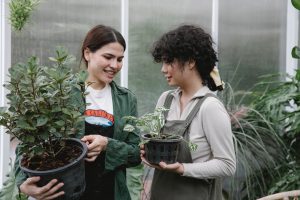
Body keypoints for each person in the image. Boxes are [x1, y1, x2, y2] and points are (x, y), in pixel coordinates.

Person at [15, 25, 141, 200]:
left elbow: (136, 153)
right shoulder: (59, 93)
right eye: (108, 57)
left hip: (110, 193)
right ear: (87, 53)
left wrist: (107, 144)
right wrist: (22, 183)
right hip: (62, 192)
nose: (115, 65)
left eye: (120, 59)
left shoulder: (126, 100)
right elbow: (27, 146)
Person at [141, 24, 236, 200]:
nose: (163, 69)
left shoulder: (209, 107)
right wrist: (147, 151)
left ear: (191, 61)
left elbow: (227, 164)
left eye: (169, 61)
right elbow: (154, 142)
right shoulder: (165, 100)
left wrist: (182, 168)